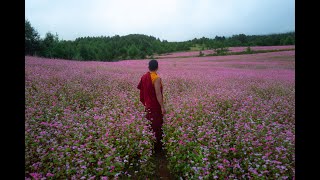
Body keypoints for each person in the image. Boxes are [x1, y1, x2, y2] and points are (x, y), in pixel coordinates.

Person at [137, 59, 166, 152]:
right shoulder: (156, 78)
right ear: (157, 67)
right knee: (157, 126)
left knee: (150, 125)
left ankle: (150, 146)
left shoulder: (144, 77)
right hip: (155, 106)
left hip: (148, 105)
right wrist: (162, 106)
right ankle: (157, 149)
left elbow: (142, 90)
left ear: (148, 67)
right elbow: (158, 94)